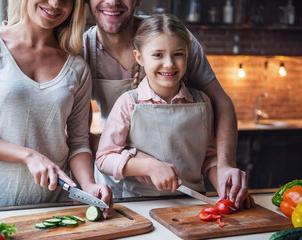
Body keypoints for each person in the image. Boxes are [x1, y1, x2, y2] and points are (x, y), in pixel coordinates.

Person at [82, 0, 251, 208]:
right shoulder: (84, 51)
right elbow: (80, 137)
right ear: (140, 57)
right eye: (158, 55)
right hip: (129, 194)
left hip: (190, 202)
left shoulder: (172, 36)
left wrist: (226, 176)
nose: (169, 63)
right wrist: (140, 162)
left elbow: (208, 149)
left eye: (178, 55)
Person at [0, 0, 112, 217]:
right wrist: (29, 156)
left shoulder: (77, 67)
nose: (55, 3)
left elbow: (78, 142)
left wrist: (89, 185)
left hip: (53, 203)